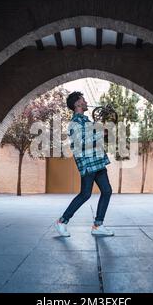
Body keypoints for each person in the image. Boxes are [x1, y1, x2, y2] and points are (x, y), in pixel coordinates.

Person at [54, 91, 114, 237]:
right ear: (77, 104)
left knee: (107, 191)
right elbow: (82, 143)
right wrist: (101, 133)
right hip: (88, 164)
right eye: (83, 99)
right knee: (85, 194)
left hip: (98, 162)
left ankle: (98, 225)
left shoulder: (86, 121)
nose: (86, 102)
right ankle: (62, 221)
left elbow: (96, 137)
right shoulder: (75, 123)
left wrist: (104, 133)